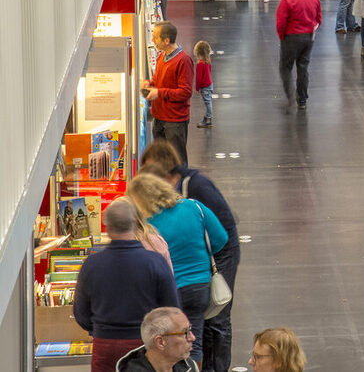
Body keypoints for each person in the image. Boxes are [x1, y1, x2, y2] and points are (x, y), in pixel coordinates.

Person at [141, 139, 240, 372]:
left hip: (221, 256)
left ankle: (217, 367)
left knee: (218, 316)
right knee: (201, 322)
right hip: (204, 262)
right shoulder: (182, 193)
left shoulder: (195, 187)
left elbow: (223, 231)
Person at [127, 173, 228, 369]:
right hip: (199, 286)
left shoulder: (146, 223)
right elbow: (221, 238)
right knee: (193, 340)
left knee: (163, 343)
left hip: (168, 290)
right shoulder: (194, 207)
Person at [73, 200, 179, 372]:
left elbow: (81, 313)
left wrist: (99, 329)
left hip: (105, 346)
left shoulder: (92, 265)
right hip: (145, 345)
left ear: (107, 226)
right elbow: (172, 308)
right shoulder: (155, 262)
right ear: (135, 222)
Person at [141, 21, 194, 165]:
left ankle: (178, 187)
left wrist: (159, 93)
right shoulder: (161, 57)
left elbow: (185, 92)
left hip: (174, 122)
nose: (152, 40)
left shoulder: (184, 61)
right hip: (160, 118)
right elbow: (160, 81)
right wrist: (150, 84)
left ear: (166, 40)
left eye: (155, 37)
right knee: (160, 161)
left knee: (177, 162)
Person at [276, 0, 322, 111]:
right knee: (303, 68)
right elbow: (318, 19)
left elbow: (281, 23)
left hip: (291, 38)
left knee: (285, 68)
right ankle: (302, 100)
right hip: (308, 38)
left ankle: (290, 96)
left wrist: (282, 37)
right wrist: (311, 31)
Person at [116, 307, 199, 372]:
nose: (192, 337)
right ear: (160, 342)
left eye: (190, 329)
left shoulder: (189, 365)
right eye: (185, 332)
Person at [193, 41, 213, 129]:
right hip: (209, 84)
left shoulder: (200, 64)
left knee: (208, 102)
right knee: (208, 101)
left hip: (204, 86)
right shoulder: (208, 61)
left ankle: (208, 119)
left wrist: (197, 88)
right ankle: (208, 117)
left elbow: (198, 78)